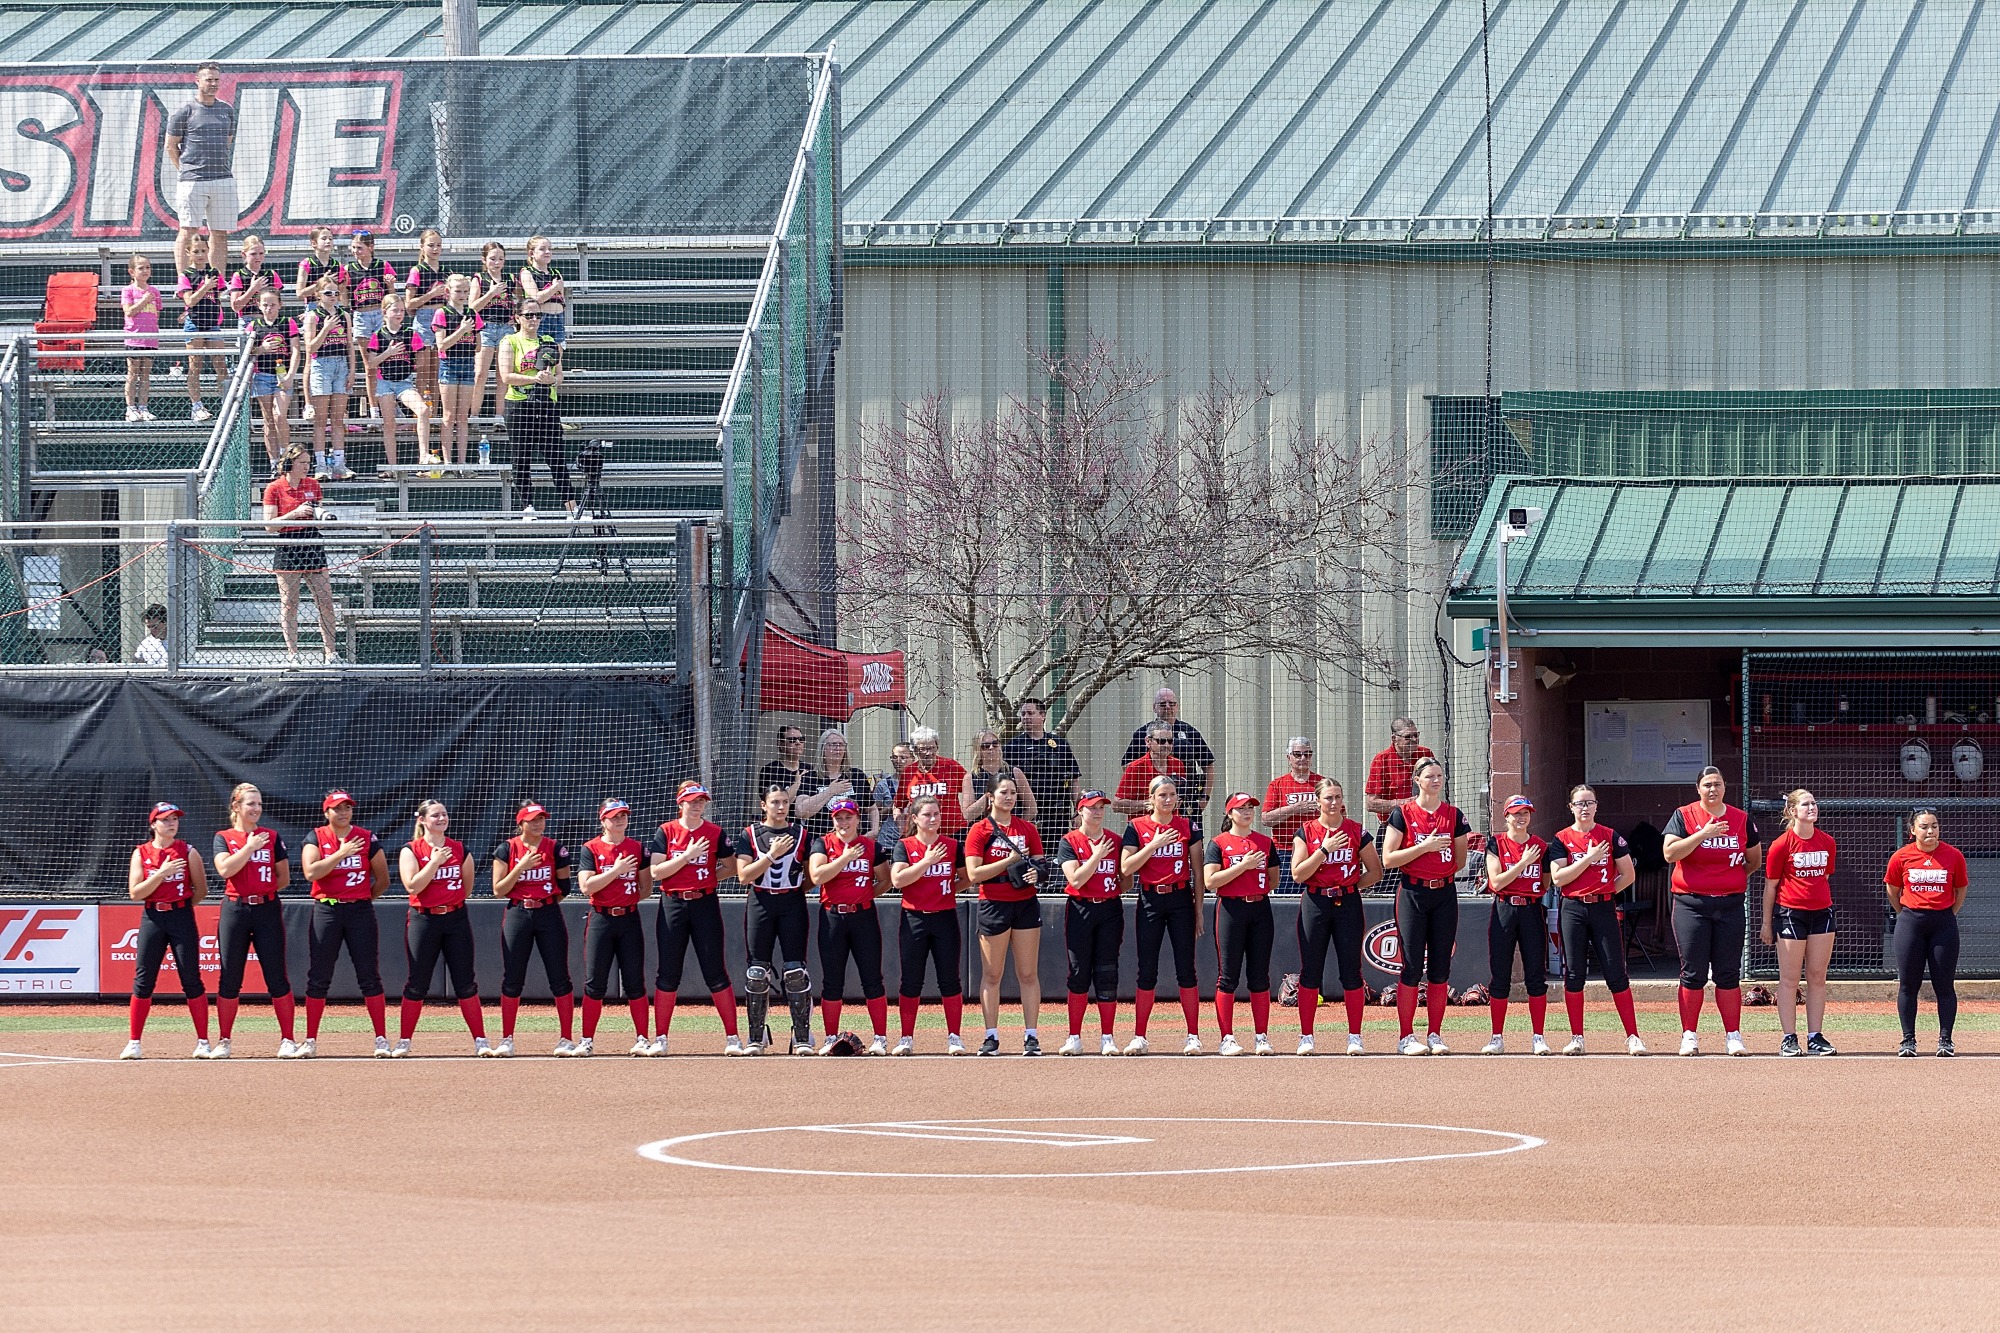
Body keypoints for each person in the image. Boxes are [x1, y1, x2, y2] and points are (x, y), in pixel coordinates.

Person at [1661, 766, 1762, 1056]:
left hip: (1729, 904)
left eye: (1717, 784)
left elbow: (1753, 860)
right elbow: (1670, 853)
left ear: (1725, 787)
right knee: (1692, 972)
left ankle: (1733, 1035)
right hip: (1692, 904)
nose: (1712, 789)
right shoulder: (1684, 815)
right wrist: (1703, 834)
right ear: (1698, 789)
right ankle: (1689, 1035)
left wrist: (1729, 879)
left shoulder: (1741, 819)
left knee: (1728, 973)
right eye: (1707, 785)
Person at [1379, 756, 1470, 1056]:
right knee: (1412, 966)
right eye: (1430, 776)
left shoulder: (1453, 815)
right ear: (1417, 780)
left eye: (1440, 775)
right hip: (1412, 894)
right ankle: (1406, 1036)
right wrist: (1424, 848)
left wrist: (1437, 865)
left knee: (1440, 967)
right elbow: (1389, 858)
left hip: (1444, 893)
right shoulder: (1402, 813)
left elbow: (1460, 860)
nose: (1436, 780)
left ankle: (1434, 1033)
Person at [647, 781, 744, 1055]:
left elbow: (733, 866)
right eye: (692, 800)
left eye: (701, 800)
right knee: (668, 973)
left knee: (715, 971)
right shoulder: (666, 831)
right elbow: (656, 872)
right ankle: (661, 1038)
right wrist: (688, 857)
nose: (698, 804)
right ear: (681, 803)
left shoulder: (713, 832)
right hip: (673, 904)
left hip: (705, 903)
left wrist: (708, 876)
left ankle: (733, 1037)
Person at [1549, 785, 1644, 1056]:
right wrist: (1589, 859)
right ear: (1571, 807)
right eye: (1579, 803)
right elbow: (1559, 878)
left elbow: (1628, 874)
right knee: (1575, 973)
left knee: (1616, 972)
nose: (1585, 808)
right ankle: (1577, 1037)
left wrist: (1605, 890)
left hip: (1602, 908)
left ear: (1596, 806)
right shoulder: (1561, 839)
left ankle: (1633, 1036)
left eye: (1589, 803)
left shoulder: (1610, 836)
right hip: (1573, 908)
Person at [392, 800, 489, 1057]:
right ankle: (404, 1040)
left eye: (444, 814)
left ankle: (480, 1039)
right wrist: (434, 863)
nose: (442, 818)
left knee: (465, 983)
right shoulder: (411, 849)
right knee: (417, 983)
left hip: (455, 919)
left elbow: (466, 887)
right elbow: (413, 886)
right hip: (424, 919)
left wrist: (449, 900)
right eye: (435, 815)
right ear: (422, 820)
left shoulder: (458, 848)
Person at [1291, 778, 1380, 1055]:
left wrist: (1350, 884)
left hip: (1348, 902)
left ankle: (1355, 1035)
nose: (1333, 802)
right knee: (1311, 971)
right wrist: (1324, 850)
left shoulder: (1355, 830)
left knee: (1351, 971)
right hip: (1316, 902)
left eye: (1337, 797)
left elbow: (1375, 872)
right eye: (1328, 797)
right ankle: (1306, 1036)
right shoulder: (1306, 831)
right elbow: (1298, 874)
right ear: (1318, 801)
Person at [299, 790, 390, 1058]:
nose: (343, 812)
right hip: (326, 909)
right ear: (326, 812)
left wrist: (361, 898)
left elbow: (382, 877)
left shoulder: (365, 837)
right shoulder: (316, 837)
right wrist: (341, 853)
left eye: (347, 807)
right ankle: (311, 1040)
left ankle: (381, 1039)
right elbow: (311, 872)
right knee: (319, 976)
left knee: (369, 975)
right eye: (337, 808)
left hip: (359, 911)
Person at [118, 802, 212, 1060]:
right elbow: (136, 893)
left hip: (181, 915)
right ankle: (134, 1042)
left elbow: (201, 890)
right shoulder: (141, 853)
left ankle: (203, 1041)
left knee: (191, 979)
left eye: (175, 819)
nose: (171, 823)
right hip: (153, 917)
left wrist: (180, 906)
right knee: (143, 980)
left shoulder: (187, 851)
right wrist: (161, 874)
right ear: (153, 824)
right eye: (165, 819)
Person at [210, 783, 297, 1059]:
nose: (256, 809)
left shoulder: (271, 836)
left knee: (277, 976)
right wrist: (248, 848)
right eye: (251, 804)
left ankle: (287, 1039)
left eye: (259, 804)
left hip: (267, 910)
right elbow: (225, 869)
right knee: (230, 977)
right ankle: (224, 1041)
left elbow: (283, 878)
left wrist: (262, 890)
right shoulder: (223, 837)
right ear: (236, 806)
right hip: (235, 910)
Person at [964, 774, 1046, 1056]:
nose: (1009, 797)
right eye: (1003, 792)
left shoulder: (1027, 828)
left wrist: (1038, 874)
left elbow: (1041, 863)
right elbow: (974, 874)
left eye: (1013, 792)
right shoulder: (980, 830)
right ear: (990, 797)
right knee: (992, 973)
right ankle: (991, 1036)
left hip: (1025, 903)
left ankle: (1031, 1036)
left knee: (1028, 973)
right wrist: (1008, 861)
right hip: (993, 903)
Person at [1122, 774, 1203, 1055]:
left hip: (1181, 898)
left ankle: (1193, 1035)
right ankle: (1140, 1036)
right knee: (1147, 969)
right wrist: (1153, 845)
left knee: (1186, 968)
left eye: (1172, 794)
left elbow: (1198, 870)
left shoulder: (1187, 826)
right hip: (1150, 898)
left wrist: (1199, 909)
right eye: (1162, 795)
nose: (1168, 800)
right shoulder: (1137, 827)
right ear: (1151, 799)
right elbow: (1126, 867)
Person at [733, 785, 816, 1054]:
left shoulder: (801, 833)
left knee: (795, 971)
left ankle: (801, 1036)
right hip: (760, 901)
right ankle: (757, 1037)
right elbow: (744, 876)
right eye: (774, 802)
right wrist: (771, 855)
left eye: (784, 802)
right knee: (757, 972)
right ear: (763, 805)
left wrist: (790, 890)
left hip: (791, 902)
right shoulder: (750, 834)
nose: (780, 807)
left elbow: (809, 876)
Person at [491, 800, 576, 1056]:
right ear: (521, 824)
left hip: (548, 912)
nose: (539, 823)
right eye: (533, 819)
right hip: (518, 912)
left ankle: (566, 1038)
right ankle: (507, 1039)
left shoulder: (555, 848)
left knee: (559, 976)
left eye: (541, 818)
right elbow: (498, 890)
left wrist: (544, 901)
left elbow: (565, 888)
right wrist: (520, 867)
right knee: (513, 977)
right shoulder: (508, 848)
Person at [807, 796, 892, 1054]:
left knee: (872, 979)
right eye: (839, 818)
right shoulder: (823, 843)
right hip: (832, 916)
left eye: (849, 816)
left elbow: (886, 880)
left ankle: (880, 1038)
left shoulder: (870, 846)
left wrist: (863, 895)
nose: (844, 822)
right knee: (832, 981)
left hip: (863, 916)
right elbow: (817, 876)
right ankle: (830, 1037)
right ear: (833, 820)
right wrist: (844, 859)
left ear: (857, 818)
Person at [1761, 788, 1839, 1057]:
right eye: (1806, 804)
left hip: (1822, 913)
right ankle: (1788, 1037)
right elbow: (1771, 887)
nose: (1812, 808)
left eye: (1814, 803)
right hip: (1790, 914)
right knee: (1790, 978)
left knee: (1817, 976)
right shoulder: (1781, 845)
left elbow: (1824, 877)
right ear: (1793, 811)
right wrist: (1766, 924)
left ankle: (1815, 1036)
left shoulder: (1827, 841)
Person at [1884, 808, 1968, 1058]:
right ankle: (1908, 1040)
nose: (1930, 830)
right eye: (1924, 826)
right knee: (1909, 985)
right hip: (1911, 922)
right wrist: (1907, 913)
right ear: (1912, 831)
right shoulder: (1901, 857)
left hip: (1943, 923)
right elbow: (1893, 889)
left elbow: (1960, 889)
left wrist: (1947, 913)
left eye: (1934, 825)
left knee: (1945, 985)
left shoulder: (1953, 856)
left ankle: (1946, 1040)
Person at [889, 795, 969, 1054]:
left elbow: (967, 878)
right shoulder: (905, 845)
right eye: (926, 814)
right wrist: (926, 862)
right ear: (914, 818)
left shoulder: (952, 845)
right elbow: (898, 880)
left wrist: (947, 891)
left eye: (936, 814)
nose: (933, 819)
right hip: (914, 918)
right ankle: (906, 1038)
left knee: (950, 980)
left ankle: (954, 1037)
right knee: (911, 980)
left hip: (945, 917)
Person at [571, 797, 650, 1057]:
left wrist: (624, 900)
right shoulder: (591, 848)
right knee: (595, 983)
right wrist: (615, 871)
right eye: (614, 816)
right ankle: (586, 1040)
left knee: (635, 982)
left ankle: (642, 1038)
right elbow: (586, 887)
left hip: (628, 918)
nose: (619, 820)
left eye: (623, 815)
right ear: (603, 820)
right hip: (601, 919)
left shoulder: (637, 848)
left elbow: (646, 887)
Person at [1206, 793, 1278, 1056]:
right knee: (1228, 976)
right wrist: (1243, 867)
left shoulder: (1264, 842)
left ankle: (1262, 1036)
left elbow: (1273, 880)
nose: (1247, 812)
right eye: (1240, 808)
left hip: (1260, 908)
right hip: (1231, 909)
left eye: (1250, 808)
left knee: (1259, 975)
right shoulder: (1218, 843)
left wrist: (1252, 880)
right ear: (1229, 813)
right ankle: (1227, 1037)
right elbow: (1211, 881)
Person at [1481, 796, 1553, 1057]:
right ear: (1506, 816)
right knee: (1500, 974)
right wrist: (1522, 864)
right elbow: (1497, 882)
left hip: (1532, 909)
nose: (1521, 817)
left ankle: (1538, 1037)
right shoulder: (1496, 843)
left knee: (1536, 974)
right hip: (1504, 908)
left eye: (1526, 813)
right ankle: (1497, 1036)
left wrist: (1526, 879)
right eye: (1516, 813)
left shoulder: (1540, 846)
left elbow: (1546, 881)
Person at [1058, 791, 1123, 1056]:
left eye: (1101, 807)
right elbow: (1075, 880)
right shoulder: (1070, 841)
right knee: (1078, 971)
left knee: (1107, 972)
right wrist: (1096, 856)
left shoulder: (1116, 840)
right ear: (1080, 810)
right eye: (1091, 807)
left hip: (1109, 908)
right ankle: (1074, 1036)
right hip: (1081, 908)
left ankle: (1107, 1036)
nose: (1097, 812)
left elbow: (1126, 878)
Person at [262, 445, 339, 665]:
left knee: (325, 601)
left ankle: (330, 652)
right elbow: (269, 526)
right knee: (289, 602)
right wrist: (294, 514)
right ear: (290, 464)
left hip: (312, 541)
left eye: (308, 463)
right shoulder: (274, 488)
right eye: (302, 463)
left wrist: (318, 515)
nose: (306, 467)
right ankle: (293, 654)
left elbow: (318, 512)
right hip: (289, 545)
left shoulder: (313, 485)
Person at [498, 302, 575, 520]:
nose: (534, 320)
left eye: (537, 315)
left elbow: (560, 376)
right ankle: (528, 507)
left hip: (545, 404)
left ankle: (571, 508)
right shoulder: (510, 341)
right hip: (519, 404)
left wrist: (551, 380)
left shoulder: (548, 341)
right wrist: (534, 378)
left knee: (556, 457)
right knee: (521, 457)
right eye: (529, 315)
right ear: (518, 317)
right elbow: (506, 376)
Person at [163, 62, 235, 279]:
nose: (213, 84)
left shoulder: (227, 110)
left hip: (222, 179)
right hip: (192, 180)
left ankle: (217, 282)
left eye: (216, 80)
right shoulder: (185, 111)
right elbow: (171, 146)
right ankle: (185, 280)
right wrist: (185, 171)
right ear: (197, 81)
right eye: (209, 79)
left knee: (220, 234)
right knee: (188, 230)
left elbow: (227, 141)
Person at [1121, 688, 1216, 835]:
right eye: (1163, 704)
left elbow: (1208, 765)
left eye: (1171, 703)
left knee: (1190, 841)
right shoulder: (1143, 733)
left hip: (1187, 800)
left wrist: (1204, 797)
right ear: (1154, 707)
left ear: (1177, 706)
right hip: (1156, 804)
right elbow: (1127, 765)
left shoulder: (1189, 732)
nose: (1167, 707)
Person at [364, 292, 432, 471]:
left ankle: (423, 455)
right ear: (385, 312)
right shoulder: (378, 335)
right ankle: (392, 467)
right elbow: (370, 363)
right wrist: (388, 354)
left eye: (402, 310)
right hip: (385, 382)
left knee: (423, 410)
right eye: (395, 310)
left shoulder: (410, 333)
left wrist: (409, 365)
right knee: (389, 424)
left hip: (404, 382)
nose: (399, 314)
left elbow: (422, 359)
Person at [1003, 697, 1080, 847]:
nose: (1025, 718)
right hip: (1025, 814)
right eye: (1023, 714)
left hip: (1057, 816)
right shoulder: (1012, 746)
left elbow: (1073, 779)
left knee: (1055, 859)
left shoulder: (1059, 745)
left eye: (1030, 713)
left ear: (1043, 715)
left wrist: (1078, 811)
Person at [300, 282, 352, 479]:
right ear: (318, 294)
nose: (332, 296)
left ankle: (339, 463)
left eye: (336, 293)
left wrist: (352, 371)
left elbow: (348, 345)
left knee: (338, 420)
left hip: (341, 365)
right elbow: (311, 348)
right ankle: (321, 464)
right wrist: (326, 329)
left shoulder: (344, 315)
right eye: (328, 293)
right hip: (321, 364)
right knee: (321, 420)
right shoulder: (313, 317)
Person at [430, 273, 482, 465]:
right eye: (458, 291)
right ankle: (447, 462)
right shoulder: (442, 313)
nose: (462, 295)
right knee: (449, 415)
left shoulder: (472, 314)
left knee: (462, 417)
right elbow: (441, 345)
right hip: (449, 364)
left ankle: (462, 463)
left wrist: (470, 333)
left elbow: (477, 346)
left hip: (467, 362)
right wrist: (462, 331)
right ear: (448, 291)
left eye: (465, 291)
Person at [175, 233, 227, 423]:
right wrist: (205, 287)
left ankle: (226, 405)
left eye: (203, 251)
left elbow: (219, 296)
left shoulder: (214, 273)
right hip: (195, 323)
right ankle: (196, 406)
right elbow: (189, 300)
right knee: (195, 365)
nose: (200, 254)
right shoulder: (186, 275)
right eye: (196, 251)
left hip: (212, 323)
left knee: (220, 363)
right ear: (188, 252)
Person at [1262, 738, 1324, 892]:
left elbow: (1339, 813)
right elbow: (1266, 818)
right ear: (1288, 757)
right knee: (1287, 897)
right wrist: (1295, 808)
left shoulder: (1322, 783)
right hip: (1285, 850)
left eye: (1307, 754)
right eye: (1297, 754)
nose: (1303, 758)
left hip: (1316, 851)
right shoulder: (1278, 784)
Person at [246, 287, 295, 473]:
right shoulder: (253, 326)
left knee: (280, 416)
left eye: (273, 305)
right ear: (259, 305)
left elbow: (296, 350)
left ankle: (285, 457)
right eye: (265, 305)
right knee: (268, 420)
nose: (269, 308)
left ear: (280, 305)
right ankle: (274, 462)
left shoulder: (287, 322)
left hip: (282, 375)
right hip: (262, 375)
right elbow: (247, 352)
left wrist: (290, 374)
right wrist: (262, 348)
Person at [470, 240, 516, 420]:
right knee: (480, 374)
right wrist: (491, 293)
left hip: (506, 328)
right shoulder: (479, 279)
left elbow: (518, 300)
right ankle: (474, 416)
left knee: (502, 375)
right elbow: (472, 307)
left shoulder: (510, 279)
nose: (496, 263)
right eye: (492, 259)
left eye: (500, 259)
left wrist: (515, 314)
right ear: (484, 260)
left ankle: (500, 417)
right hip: (486, 328)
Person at [404, 228, 448, 411]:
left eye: (438, 245)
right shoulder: (417, 270)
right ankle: (422, 412)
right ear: (422, 247)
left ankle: (435, 411)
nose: (435, 249)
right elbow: (409, 304)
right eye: (431, 245)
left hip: (443, 319)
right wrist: (431, 294)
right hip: (423, 319)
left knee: (437, 371)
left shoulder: (447, 270)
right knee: (423, 370)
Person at [898, 727, 969, 838]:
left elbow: (971, 790)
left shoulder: (951, 766)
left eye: (932, 748)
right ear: (915, 751)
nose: (928, 753)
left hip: (953, 833)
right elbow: (898, 805)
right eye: (923, 749)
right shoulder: (909, 772)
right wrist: (902, 828)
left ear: (937, 747)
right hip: (921, 836)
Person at [961, 728, 1035, 831]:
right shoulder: (970, 778)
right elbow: (967, 815)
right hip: (983, 834)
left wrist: (1017, 828)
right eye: (985, 746)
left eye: (995, 744)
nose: (991, 748)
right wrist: (989, 796)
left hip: (1011, 835)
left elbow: (1032, 808)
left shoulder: (1015, 773)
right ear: (978, 751)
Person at [808, 729, 874, 839]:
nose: (837, 748)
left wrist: (874, 830)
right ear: (823, 748)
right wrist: (830, 791)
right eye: (833, 745)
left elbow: (872, 808)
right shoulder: (811, 777)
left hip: (855, 840)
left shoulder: (857, 775)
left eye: (841, 745)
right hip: (821, 840)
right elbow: (801, 811)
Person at [756, 724, 829, 823]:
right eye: (792, 740)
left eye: (801, 739)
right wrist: (796, 784)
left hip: (805, 829)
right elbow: (774, 804)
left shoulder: (810, 770)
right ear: (780, 744)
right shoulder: (770, 770)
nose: (798, 743)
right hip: (778, 827)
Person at [121, 253, 161, 423]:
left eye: (148, 267)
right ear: (132, 272)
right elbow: (129, 311)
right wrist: (144, 301)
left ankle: (143, 407)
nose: (145, 271)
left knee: (145, 375)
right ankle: (130, 408)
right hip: (134, 338)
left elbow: (156, 314)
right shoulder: (128, 290)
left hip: (150, 339)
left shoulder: (155, 291)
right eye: (141, 268)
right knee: (133, 373)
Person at [1113, 725, 1186, 818]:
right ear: (1148, 741)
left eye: (1170, 741)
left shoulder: (1178, 765)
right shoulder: (1136, 768)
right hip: (1143, 827)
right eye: (1161, 741)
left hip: (1171, 825)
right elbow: (1116, 805)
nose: (1166, 745)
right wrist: (1151, 802)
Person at [518, 235, 568, 346]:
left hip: (558, 318)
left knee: (556, 357)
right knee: (538, 354)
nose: (547, 252)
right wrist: (554, 288)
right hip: (540, 319)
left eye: (549, 249)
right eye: (542, 249)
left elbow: (561, 299)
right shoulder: (527, 272)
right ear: (531, 253)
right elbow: (536, 298)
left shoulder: (556, 273)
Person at [226, 234, 285, 326]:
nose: (258, 257)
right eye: (253, 254)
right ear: (244, 254)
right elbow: (236, 306)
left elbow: (278, 302)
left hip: (268, 319)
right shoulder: (239, 275)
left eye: (261, 253)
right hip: (247, 320)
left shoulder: (271, 274)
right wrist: (253, 289)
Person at [876, 741, 916, 847]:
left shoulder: (920, 784)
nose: (898, 761)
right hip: (888, 840)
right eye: (894, 757)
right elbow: (875, 816)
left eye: (903, 757)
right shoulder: (883, 785)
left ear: (913, 759)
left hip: (913, 838)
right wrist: (894, 805)